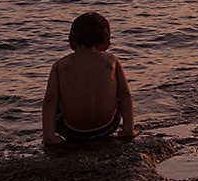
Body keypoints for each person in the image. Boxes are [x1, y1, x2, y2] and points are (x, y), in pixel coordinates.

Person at [42, 13, 136, 146]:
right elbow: (125, 94)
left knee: (54, 99)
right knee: (120, 95)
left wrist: (49, 137)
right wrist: (128, 130)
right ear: (106, 44)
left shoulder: (60, 65)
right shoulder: (112, 61)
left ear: (71, 43)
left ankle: (49, 137)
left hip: (70, 131)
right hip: (107, 127)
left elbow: (49, 101)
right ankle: (128, 129)